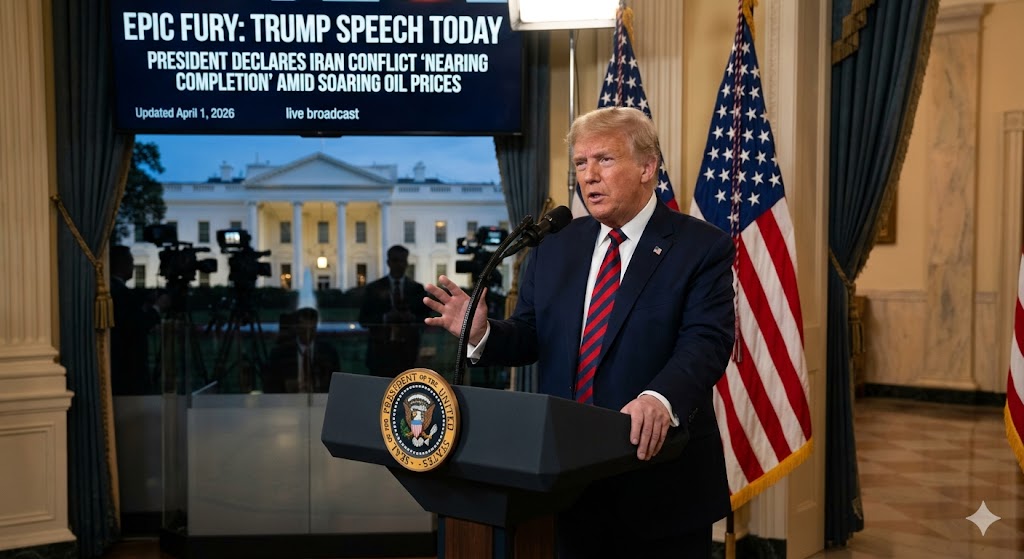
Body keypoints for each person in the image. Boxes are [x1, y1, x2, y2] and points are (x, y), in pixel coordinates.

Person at [423, 107, 735, 557]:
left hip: (658, 480)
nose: (589, 177)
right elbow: (531, 334)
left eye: (604, 160)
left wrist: (660, 398)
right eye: (580, 164)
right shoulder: (556, 244)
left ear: (648, 168)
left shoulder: (701, 247)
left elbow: (706, 341)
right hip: (566, 480)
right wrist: (483, 333)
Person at [358, 245, 430, 377]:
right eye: (395, 260)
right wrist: (385, 318)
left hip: (409, 353)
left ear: (407, 262)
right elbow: (363, 319)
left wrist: (411, 318)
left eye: (402, 261)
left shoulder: (417, 289)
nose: (399, 265)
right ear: (388, 262)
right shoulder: (373, 289)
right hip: (380, 353)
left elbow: (426, 318)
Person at [109, 245, 168, 395]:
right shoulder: (120, 293)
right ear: (121, 263)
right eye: (130, 261)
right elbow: (137, 325)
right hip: (128, 368)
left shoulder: (115, 289)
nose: (134, 266)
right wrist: (158, 308)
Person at [262, 307, 340, 393]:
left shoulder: (328, 353)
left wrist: (316, 387)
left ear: (316, 327)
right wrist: (285, 386)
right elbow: (268, 386)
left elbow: (337, 385)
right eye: (304, 329)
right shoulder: (279, 354)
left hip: (320, 402)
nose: (308, 334)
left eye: (311, 330)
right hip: (286, 402)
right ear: (297, 328)